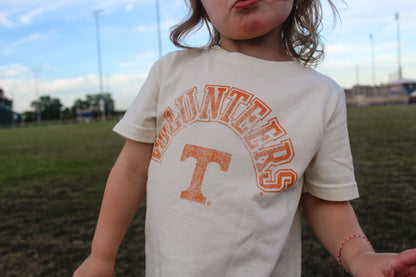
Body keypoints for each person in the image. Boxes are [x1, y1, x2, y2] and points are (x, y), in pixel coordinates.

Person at [74, 0, 416, 276]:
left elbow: (324, 197)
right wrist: (101, 256)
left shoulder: (321, 95)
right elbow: (132, 169)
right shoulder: (170, 72)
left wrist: (361, 256)